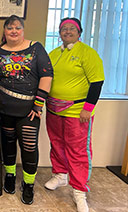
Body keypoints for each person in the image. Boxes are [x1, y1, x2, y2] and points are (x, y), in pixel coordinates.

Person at [0, 15, 53, 205]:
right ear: (4, 31)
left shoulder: (36, 48)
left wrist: (39, 103)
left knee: (29, 147)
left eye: (17, 28)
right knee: (8, 145)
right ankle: (10, 176)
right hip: (4, 109)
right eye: (10, 28)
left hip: (29, 110)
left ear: (23, 30)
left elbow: (47, 76)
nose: (14, 31)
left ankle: (29, 184)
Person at [44, 17, 104, 212]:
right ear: (59, 32)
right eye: (63, 29)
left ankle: (79, 191)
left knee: (78, 151)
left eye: (72, 28)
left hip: (77, 112)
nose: (67, 31)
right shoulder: (54, 53)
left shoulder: (88, 53)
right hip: (53, 109)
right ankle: (60, 175)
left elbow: (96, 82)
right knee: (57, 143)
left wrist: (88, 108)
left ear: (79, 32)